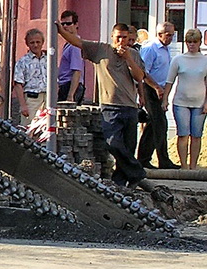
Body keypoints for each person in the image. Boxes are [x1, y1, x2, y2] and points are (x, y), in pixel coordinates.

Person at [56, 21, 147, 188]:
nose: (121, 41)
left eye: (125, 38)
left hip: (130, 107)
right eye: (118, 38)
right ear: (112, 37)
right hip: (110, 106)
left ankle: (120, 183)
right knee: (113, 143)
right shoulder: (101, 50)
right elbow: (78, 42)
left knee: (128, 147)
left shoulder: (133, 54)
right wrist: (62, 31)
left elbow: (139, 76)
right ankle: (137, 173)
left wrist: (128, 59)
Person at [163, 28, 207, 170]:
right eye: (189, 42)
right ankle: (183, 166)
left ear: (200, 42)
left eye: (194, 42)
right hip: (181, 102)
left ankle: (193, 167)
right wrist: (165, 99)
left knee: (196, 135)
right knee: (183, 134)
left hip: (199, 102)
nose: (192, 45)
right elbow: (169, 81)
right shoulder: (178, 59)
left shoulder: (205, 60)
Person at [137, 22, 179, 169]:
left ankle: (160, 159)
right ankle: (145, 159)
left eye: (172, 36)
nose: (170, 39)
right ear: (160, 34)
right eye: (168, 35)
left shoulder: (165, 49)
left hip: (160, 89)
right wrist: (154, 88)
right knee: (158, 124)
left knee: (157, 125)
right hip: (150, 89)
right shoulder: (150, 49)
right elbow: (143, 72)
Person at [13, 28, 47, 125]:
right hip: (32, 100)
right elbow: (18, 84)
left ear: (42, 43)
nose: (35, 45)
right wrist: (23, 105)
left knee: (46, 130)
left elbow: (54, 82)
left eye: (38, 42)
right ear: (27, 44)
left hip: (47, 99)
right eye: (32, 42)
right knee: (30, 129)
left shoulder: (49, 60)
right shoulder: (22, 62)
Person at [57, 10, 84, 103]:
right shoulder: (69, 44)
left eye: (68, 23)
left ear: (76, 24)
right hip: (65, 84)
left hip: (70, 86)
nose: (65, 26)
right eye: (63, 24)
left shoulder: (75, 46)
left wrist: (70, 95)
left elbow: (77, 71)